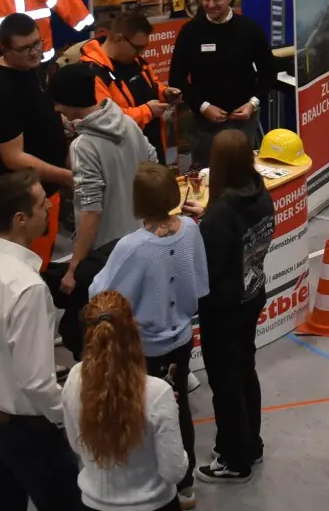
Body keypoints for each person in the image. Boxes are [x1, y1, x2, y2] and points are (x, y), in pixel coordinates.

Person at [0, 171, 85, 511]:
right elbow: (36, 382)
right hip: (27, 433)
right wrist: (67, 418)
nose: (50, 209)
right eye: (42, 205)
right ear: (20, 219)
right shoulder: (27, 288)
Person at [90, 163, 211, 508]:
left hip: (143, 348)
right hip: (182, 339)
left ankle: (149, 484)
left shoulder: (132, 247)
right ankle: (185, 483)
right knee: (178, 409)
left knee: (142, 414)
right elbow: (200, 283)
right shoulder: (191, 229)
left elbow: (100, 294)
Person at [193, 131, 274, 483]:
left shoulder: (221, 215)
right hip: (251, 296)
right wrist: (208, 216)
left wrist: (203, 227)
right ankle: (250, 444)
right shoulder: (259, 193)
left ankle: (233, 458)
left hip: (223, 310)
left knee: (225, 384)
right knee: (245, 370)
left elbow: (208, 268)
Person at [62, 291, 189, 511]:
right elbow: (174, 471)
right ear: (133, 331)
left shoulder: (73, 379)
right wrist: (168, 414)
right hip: (153, 505)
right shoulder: (158, 393)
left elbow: (77, 445)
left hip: (93, 504)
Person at [53, 62, 157, 300]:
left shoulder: (83, 146)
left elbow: (91, 210)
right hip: (143, 240)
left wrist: (73, 268)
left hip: (108, 257)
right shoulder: (129, 124)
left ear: (71, 101)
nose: (56, 107)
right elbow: (153, 166)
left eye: (58, 102)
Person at [0, 12, 72, 266]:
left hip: (46, 190)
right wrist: (67, 176)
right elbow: (13, 157)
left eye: (37, 43)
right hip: (23, 202)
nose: (34, 53)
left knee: (45, 257)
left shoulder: (30, 68)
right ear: (5, 50)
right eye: (25, 49)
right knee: (28, 267)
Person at [169, 0, 275, 160]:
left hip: (244, 122)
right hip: (205, 127)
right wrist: (203, 107)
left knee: (242, 169)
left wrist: (252, 103)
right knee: (207, 170)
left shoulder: (250, 30)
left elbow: (269, 72)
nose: (210, 5)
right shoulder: (190, 32)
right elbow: (176, 78)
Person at [75, 10, 172, 156]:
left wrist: (164, 92)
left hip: (152, 148)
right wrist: (148, 111)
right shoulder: (93, 73)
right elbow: (107, 119)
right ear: (119, 39)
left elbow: (151, 85)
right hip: (123, 156)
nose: (141, 53)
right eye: (138, 48)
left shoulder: (135, 60)